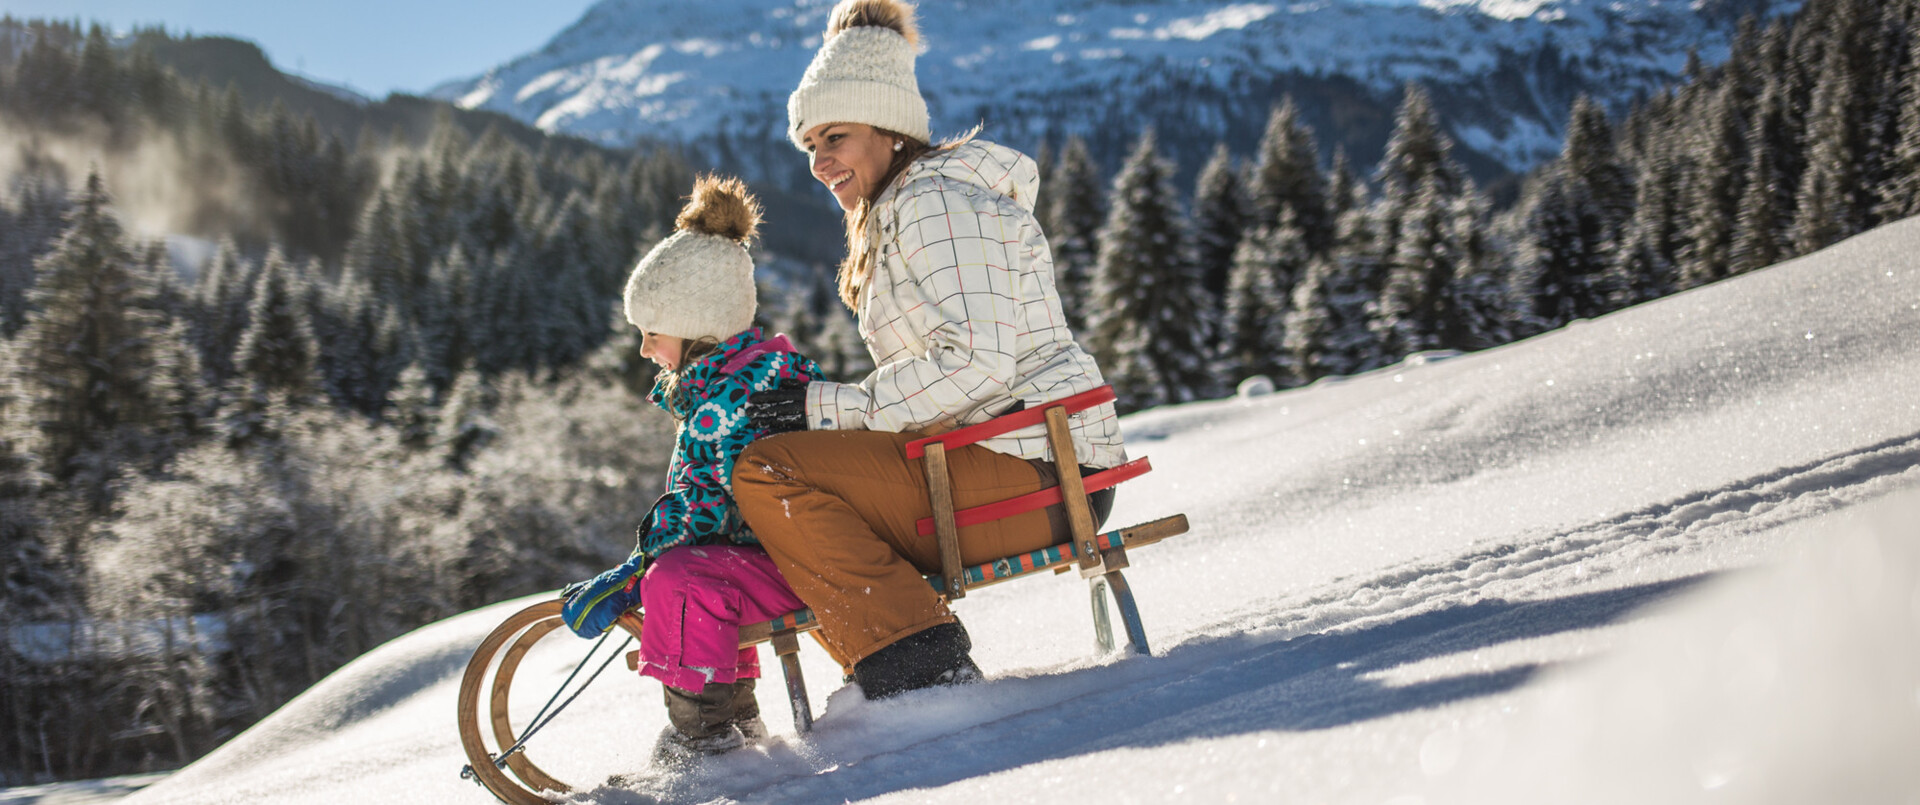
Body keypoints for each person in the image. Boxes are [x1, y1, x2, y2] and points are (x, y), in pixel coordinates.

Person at [731, 0, 1127, 700]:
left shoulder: (932, 203)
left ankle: (919, 671)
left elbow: (976, 361)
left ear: (889, 130)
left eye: (836, 138)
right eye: (810, 146)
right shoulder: (903, 209)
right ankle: (897, 660)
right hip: (1005, 458)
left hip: (1038, 470)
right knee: (777, 482)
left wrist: (829, 409)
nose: (820, 163)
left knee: (770, 471)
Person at [560, 175, 819, 761]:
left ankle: (703, 743)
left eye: (653, 334)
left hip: (800, 560)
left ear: (700, 329)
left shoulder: (732, 401)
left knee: (680, 579)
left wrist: (638, 566)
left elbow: (707, 511)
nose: (645, 350)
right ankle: (735, 717)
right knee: (698, 570)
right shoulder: (747, 379)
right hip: (792, 553)